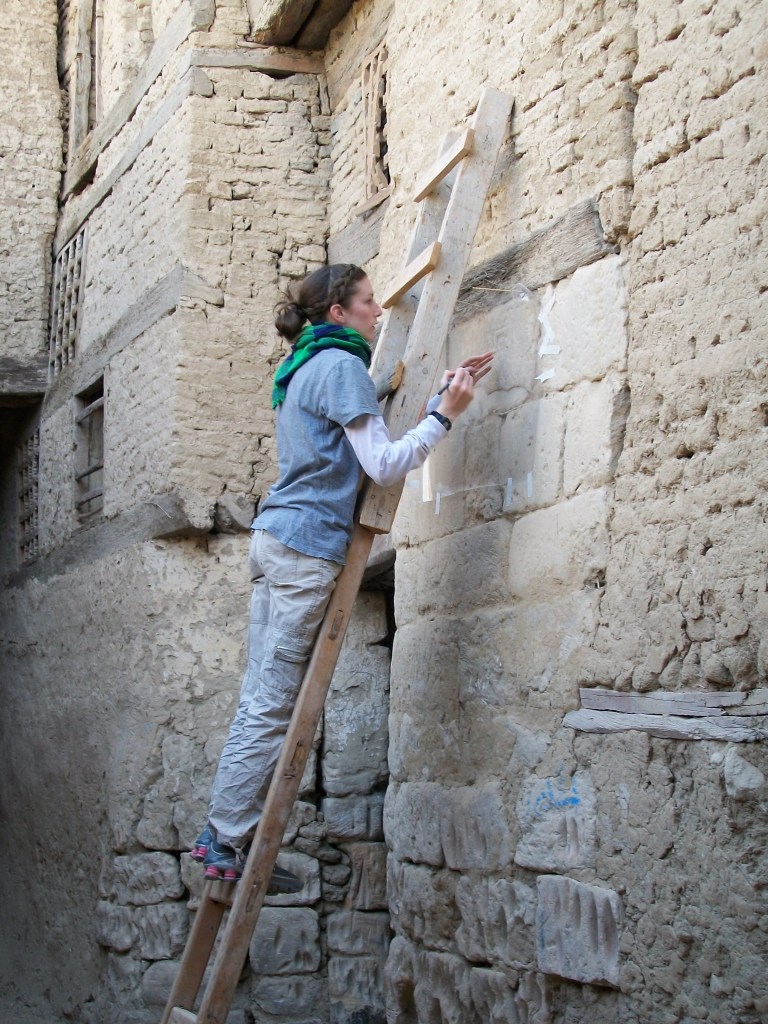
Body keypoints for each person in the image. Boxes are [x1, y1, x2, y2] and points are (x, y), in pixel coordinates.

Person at [191, 263, 492, 886]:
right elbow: (382, 465)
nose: (378, 314)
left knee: (261, 695)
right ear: (338, 312)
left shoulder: (309, 362)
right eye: (368, 303)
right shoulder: (341, 366)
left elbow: (356, 427)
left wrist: (429, 397)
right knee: (273, 702)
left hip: (277, 537)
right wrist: (446, 416)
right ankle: (224, 840)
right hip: (305, 550)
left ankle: (224, 835)